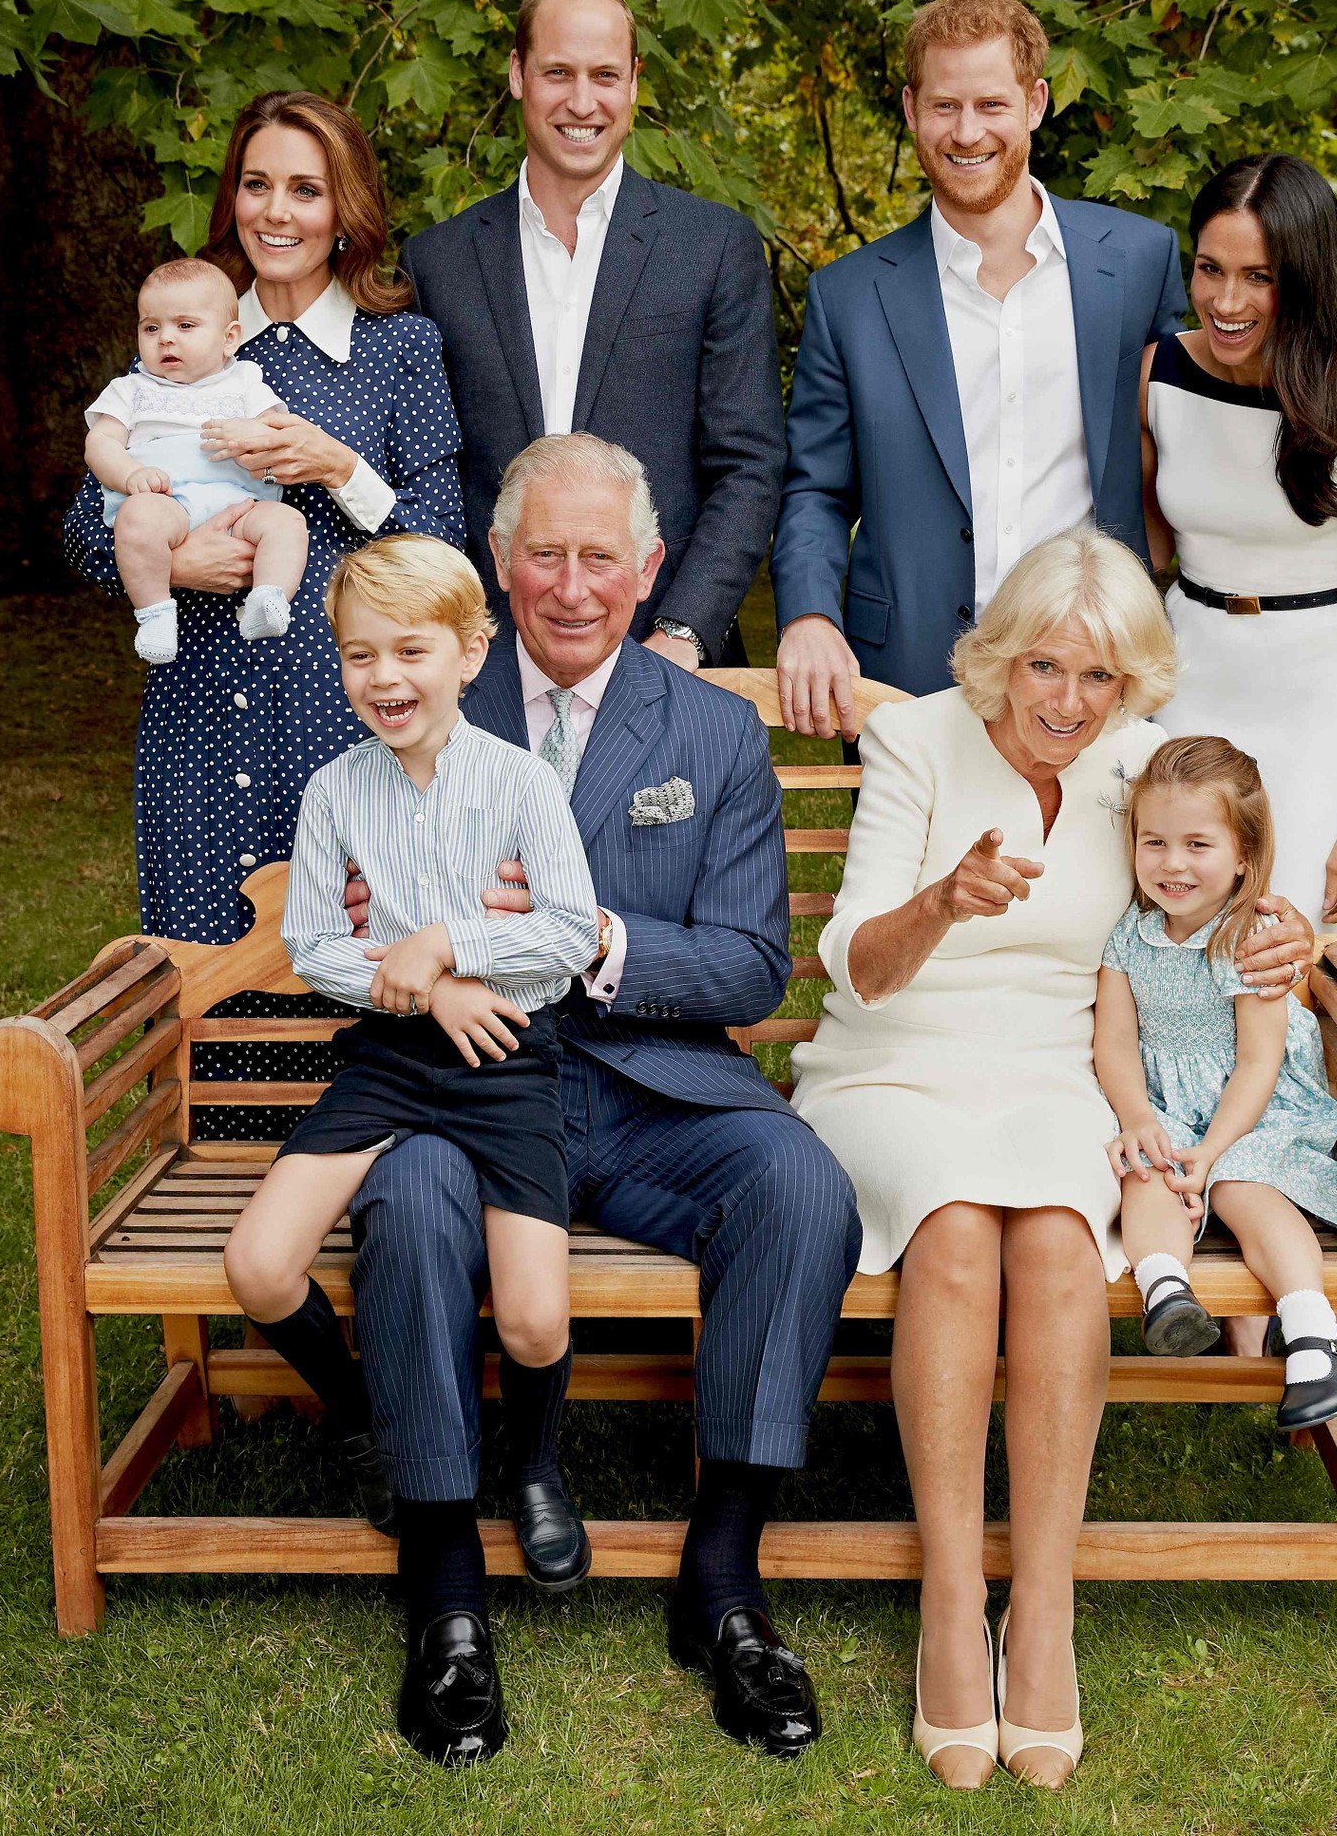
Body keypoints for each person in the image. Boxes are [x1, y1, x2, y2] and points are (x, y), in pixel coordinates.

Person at [342, 434, 862, 1770]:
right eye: (544, 556)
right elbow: (358, 889)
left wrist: (598, 939)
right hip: (467, 1088)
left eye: (600, 559)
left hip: (651, 1091)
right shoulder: (425, 694)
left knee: (800, 1185)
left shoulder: (711, 730)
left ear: (649, 570)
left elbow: (751, 966)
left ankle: (726, 1576)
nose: (572, 588)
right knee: (402, 1198)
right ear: (500, 566)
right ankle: (448, 1594)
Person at [790, 531, 1314, 1792]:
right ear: (999, 659)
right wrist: (941, 902)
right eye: (1045, 668)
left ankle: (1048, 1608)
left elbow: (1223, 878)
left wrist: (1284, 932)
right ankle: (952, 1605)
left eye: (1099, 678)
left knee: (1062, 1244)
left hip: (1054, 1069)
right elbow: (852, 965)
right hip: (893, 1058)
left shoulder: (1137, 769)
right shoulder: (916, 739)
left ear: (1131, 685)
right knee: (958, 1227)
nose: (1067, 703)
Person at [63, 93, 465, 1141]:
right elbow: (78, 523)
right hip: (197, 720)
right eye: (255, 184)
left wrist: (340, 469)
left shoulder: (399, 350)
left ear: (346, 209)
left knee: (362, 977)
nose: (275, 210)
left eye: (304, 187)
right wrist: (167, 557)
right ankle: (225, 1222)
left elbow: (444, 546)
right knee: (208, 987)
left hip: (344, 731)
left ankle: (370, 1226)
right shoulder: (185, 328)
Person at [222, 536, 601, 1638]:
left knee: (533, 1320)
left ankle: (531, 1464)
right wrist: (424, 988)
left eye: (411, 651)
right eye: (358, 656)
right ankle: (369, 1422)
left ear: (472, 652)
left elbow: (569, 936)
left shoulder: (523, 782)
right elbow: (312, 947)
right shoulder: (335, 791)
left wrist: (444, 942)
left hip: (505, 1060)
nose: (384, 678)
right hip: (392, 1058)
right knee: (256, 1264)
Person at [772, 0, 1187, 734]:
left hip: (1097, 675)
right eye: (944, 106)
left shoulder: (1136, 261)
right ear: (910, 109)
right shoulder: (849, 296)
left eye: (991, 105)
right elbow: (816, 492)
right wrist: (806, 613)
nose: (967, 132)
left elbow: (1189, 442)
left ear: (1035, 103)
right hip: (906, 678)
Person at [401, 0, 785, 668]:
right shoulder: (437, 264)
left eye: (605, 74)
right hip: (489, 665)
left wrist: (684, 630)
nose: (583, 101)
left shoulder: (712, 248)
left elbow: (748, 465)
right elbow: (432, 474)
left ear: (635, 82)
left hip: (665, 654)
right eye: (558, 72)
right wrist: (465, 630)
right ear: (518, 74)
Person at [1142, 153, 1337, 930]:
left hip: (1320, 701)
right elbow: (1147, 554)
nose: (1225, 301)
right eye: (1209, 268)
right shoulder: (1158, 377)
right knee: (1171, 932)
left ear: (1304, 279)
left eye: (1258, 276)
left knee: (1289, 944)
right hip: (1188, 683)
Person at [1097, 734, 1337, 1433]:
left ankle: (1312, 1333)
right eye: (1153, 841)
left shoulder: (1252, 935)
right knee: (1146, 1172)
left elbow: (1258, 1064)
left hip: (1254, 1112)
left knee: (1244, 1187)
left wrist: (1211, 1153)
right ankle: (1169, 1294)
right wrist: (1137, 1117)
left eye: (1197, 844)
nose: (1172, 863)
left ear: (1244, 854)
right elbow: (1116, 1042)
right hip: (1167, 1107)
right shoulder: (1129, 935)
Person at [84, 257, 308, 663]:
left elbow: (280, 435)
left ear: (228, 338)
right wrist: (130, 474)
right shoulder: (131, 390)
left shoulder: (246, 382)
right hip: (165, 502)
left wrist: (254, 433)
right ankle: (154, 613)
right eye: (152, 327)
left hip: (240, 504)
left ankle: (269, 597)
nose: (166, 338)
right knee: (138, 521)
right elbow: (99, 444)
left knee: (287, 523)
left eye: (184, 326)